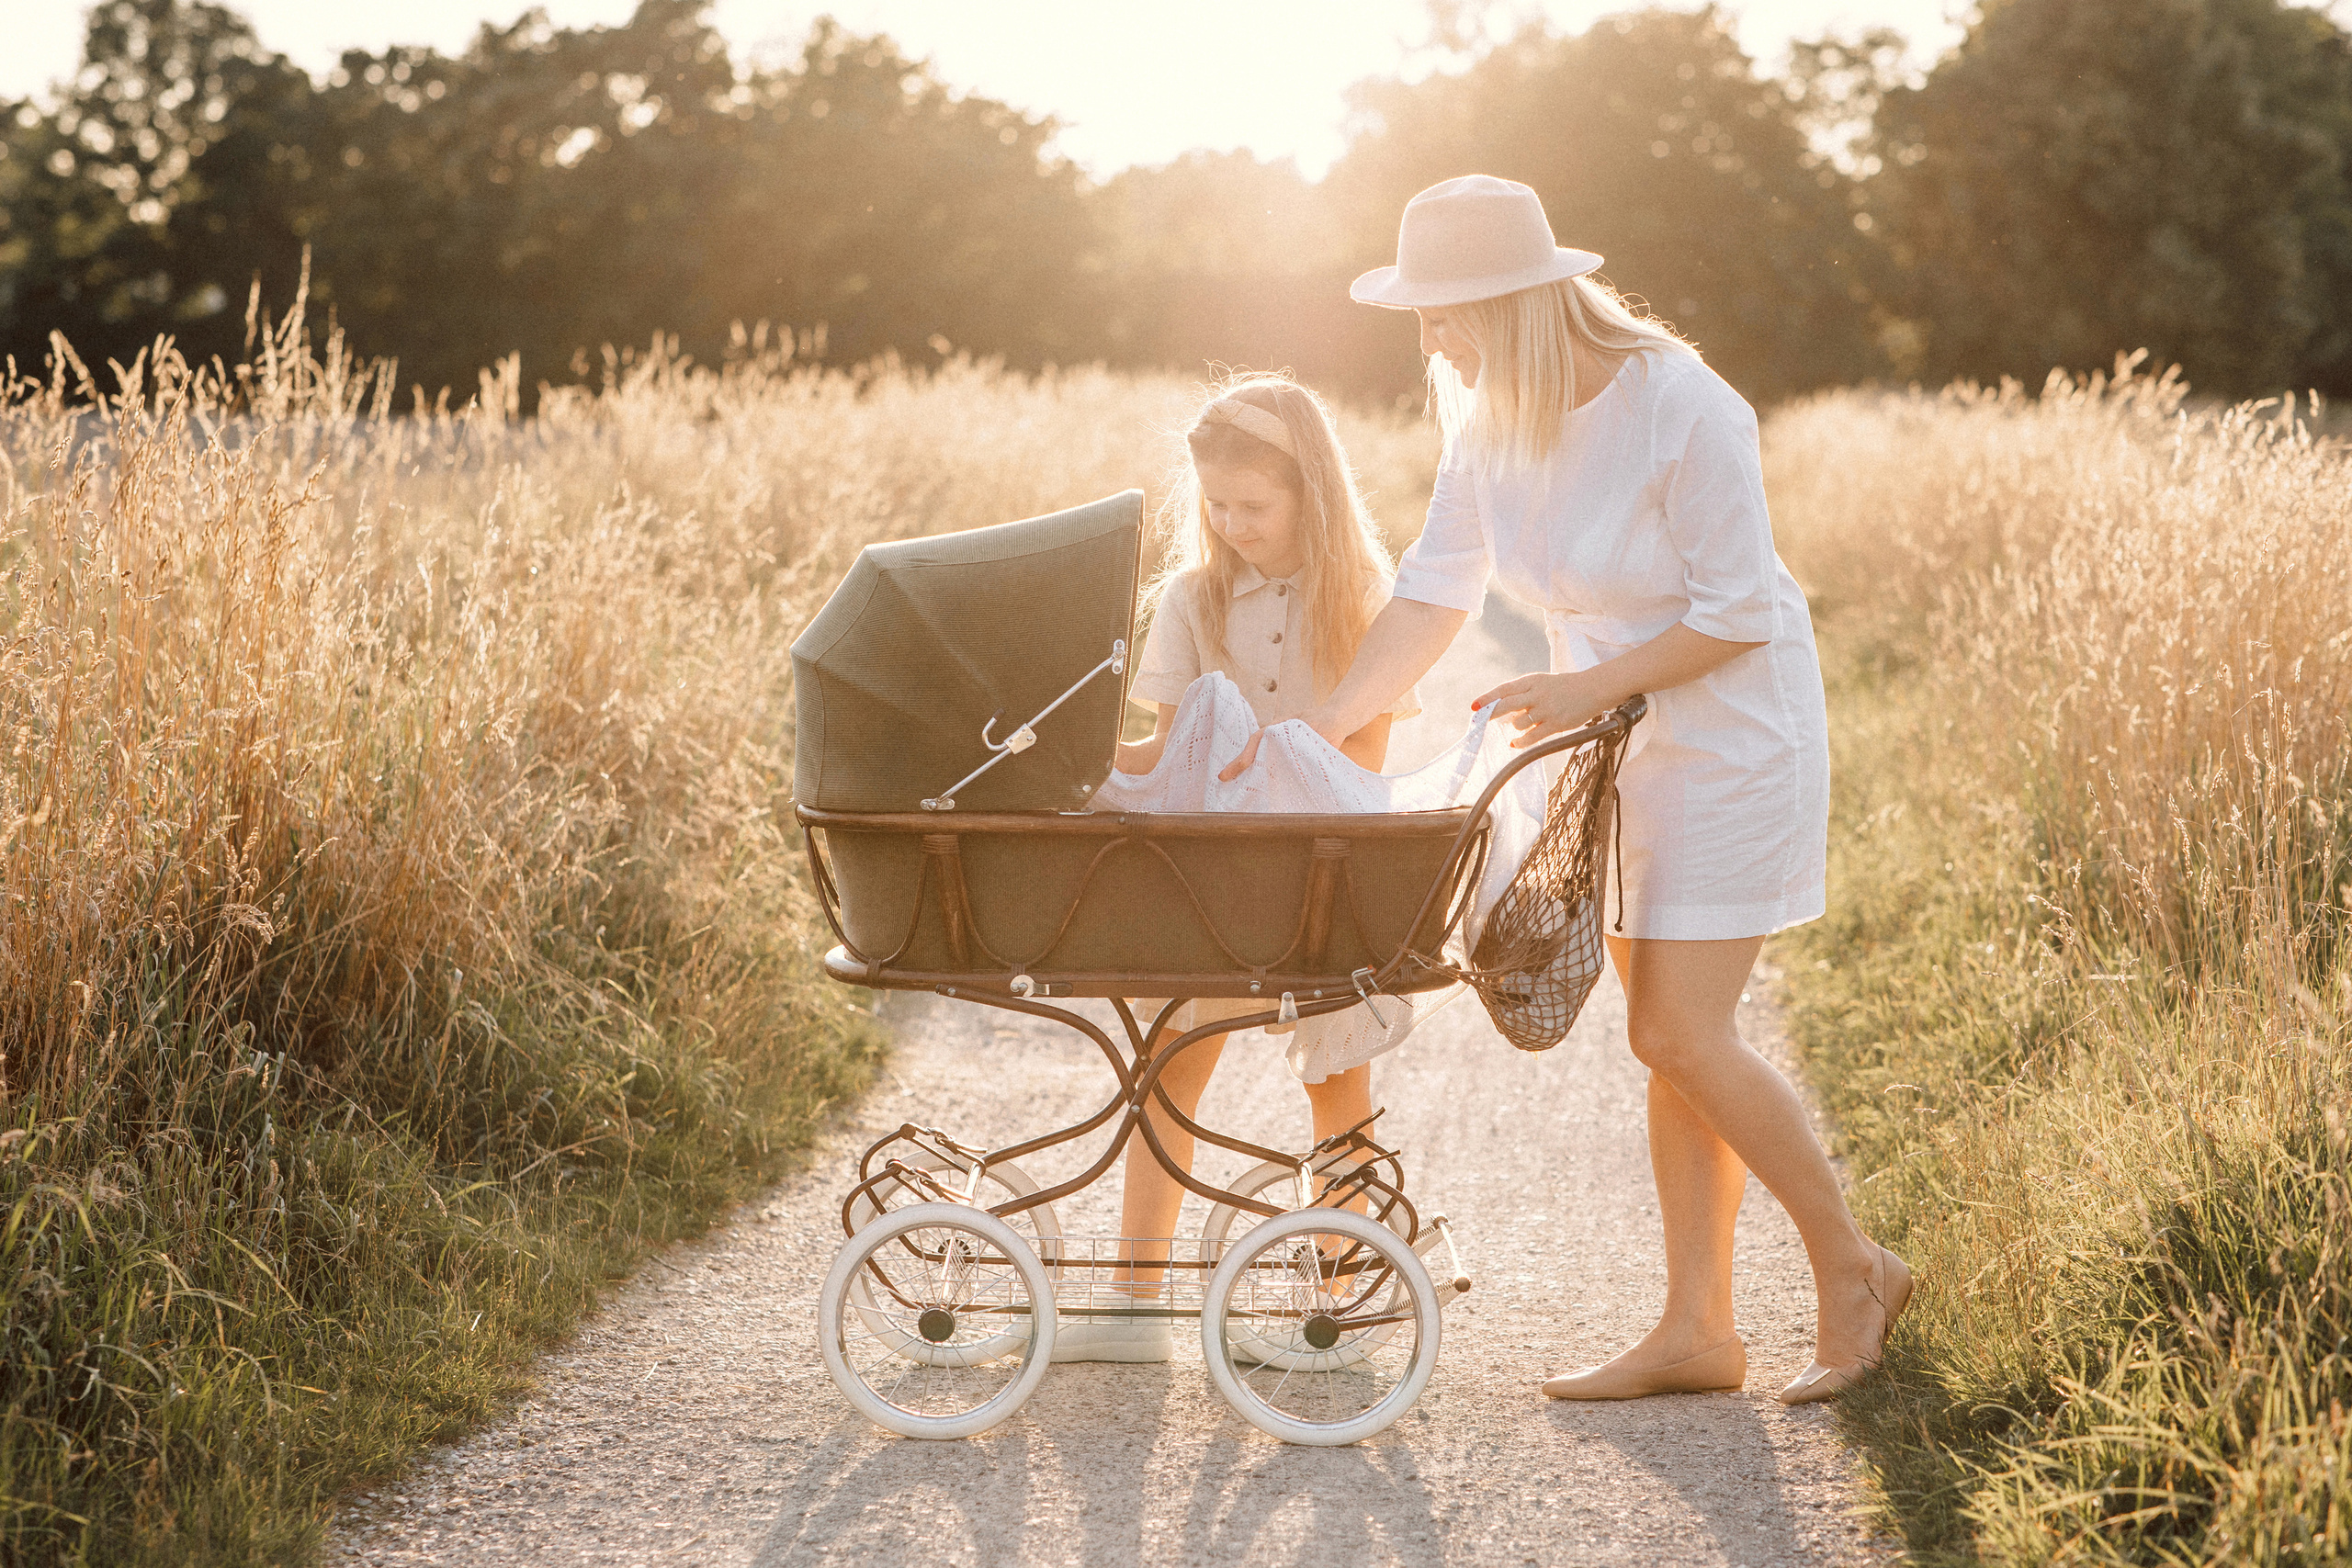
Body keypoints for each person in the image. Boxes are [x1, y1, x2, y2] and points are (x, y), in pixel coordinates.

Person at [1218, 175, 1911, 1404]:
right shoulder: (1490, 419)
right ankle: (1696, 1329)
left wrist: (1588, 689)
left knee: (1677, 1031)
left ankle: (1854, 1268)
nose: (1430, 343)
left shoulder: (1684, 406)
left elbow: (1737, 612)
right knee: (1673, 1045)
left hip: (1731, 735)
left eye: (1445, 316)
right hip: (1612, 742)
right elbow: (1434, 588)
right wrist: (1319, 724)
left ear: (1515, 302)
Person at [1049, 373, 1421, 1364]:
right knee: (1166, 1071)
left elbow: (1365, 764)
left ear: (1310, 491)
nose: (1232, 524)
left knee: (1338, 1082)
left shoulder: (1364, 598)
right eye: (1216, 504)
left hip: (1324, 877)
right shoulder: (1190, 596)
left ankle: (1334, 1305)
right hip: (1208, 882)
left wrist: (1281, 760)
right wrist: (1081, 758)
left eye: (1254, 504)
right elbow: (1168, 752)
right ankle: (1135, 1299)